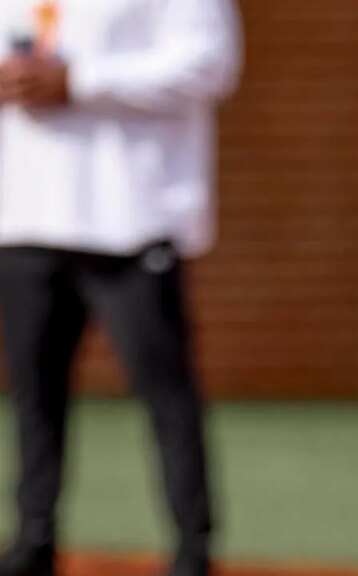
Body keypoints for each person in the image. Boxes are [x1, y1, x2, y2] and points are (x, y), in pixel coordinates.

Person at [0, 1, 242, 575]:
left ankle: (192, 548)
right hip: (25, 216)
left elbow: (211, 63)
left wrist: (80, 82)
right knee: (35, 395)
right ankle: (34, 539)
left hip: (130, 217)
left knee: (167, 394)